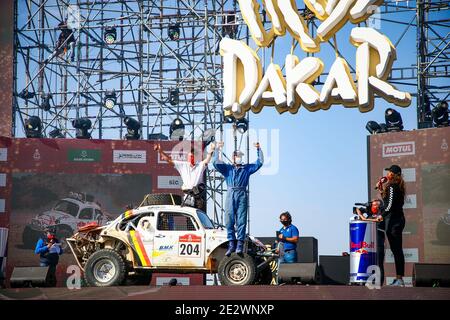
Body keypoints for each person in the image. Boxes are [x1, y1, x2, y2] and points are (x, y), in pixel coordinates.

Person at [213, 141, 264, 256]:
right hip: (231, 193)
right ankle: (231, 244)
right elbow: (215, 163)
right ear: (233, 157)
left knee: (241, 220)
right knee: (229, 219)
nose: (239, 158)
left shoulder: (246, 169)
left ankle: (240, 244)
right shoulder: (228, 169)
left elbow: (259, 162)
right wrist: (217, 149)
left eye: (241, 156)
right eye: (237, 156)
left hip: (241, 193)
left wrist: (258, 149)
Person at [154, 142, 215, 210]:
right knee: (188, 217)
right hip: (187, 197)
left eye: (192, 157)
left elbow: (207, 160)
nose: (190, 158)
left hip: (198, 198)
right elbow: (169, 160)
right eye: (189, 157)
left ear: (195, 158)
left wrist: (211, 149)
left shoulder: (200, 165)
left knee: (198, 215)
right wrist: (160, 151)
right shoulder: (183, 165)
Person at [377, 164, 406, 287]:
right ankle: (399, 279)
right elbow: (388, 202)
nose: (387, 173)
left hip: (395, 222)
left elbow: (389, 206)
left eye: (389, 172)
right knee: (396, 250)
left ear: (393, 174)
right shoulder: (393, 187)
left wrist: (381, 215)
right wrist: (381, 189)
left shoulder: (393, 186)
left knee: (397, 250)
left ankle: (399, 280)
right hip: (394, 221)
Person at [356, 199, 385, 285]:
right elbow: (357, 209)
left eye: (376, 205)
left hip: (378, 239)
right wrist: (360, 215)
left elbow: (378, 220)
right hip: (368, 241)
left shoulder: (382, 211)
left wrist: (364, 219)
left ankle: (379, 284)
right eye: (373, 205)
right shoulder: (369, 212)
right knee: (367, 261)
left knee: (378, 262)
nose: (374, 206)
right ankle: (366, 282)